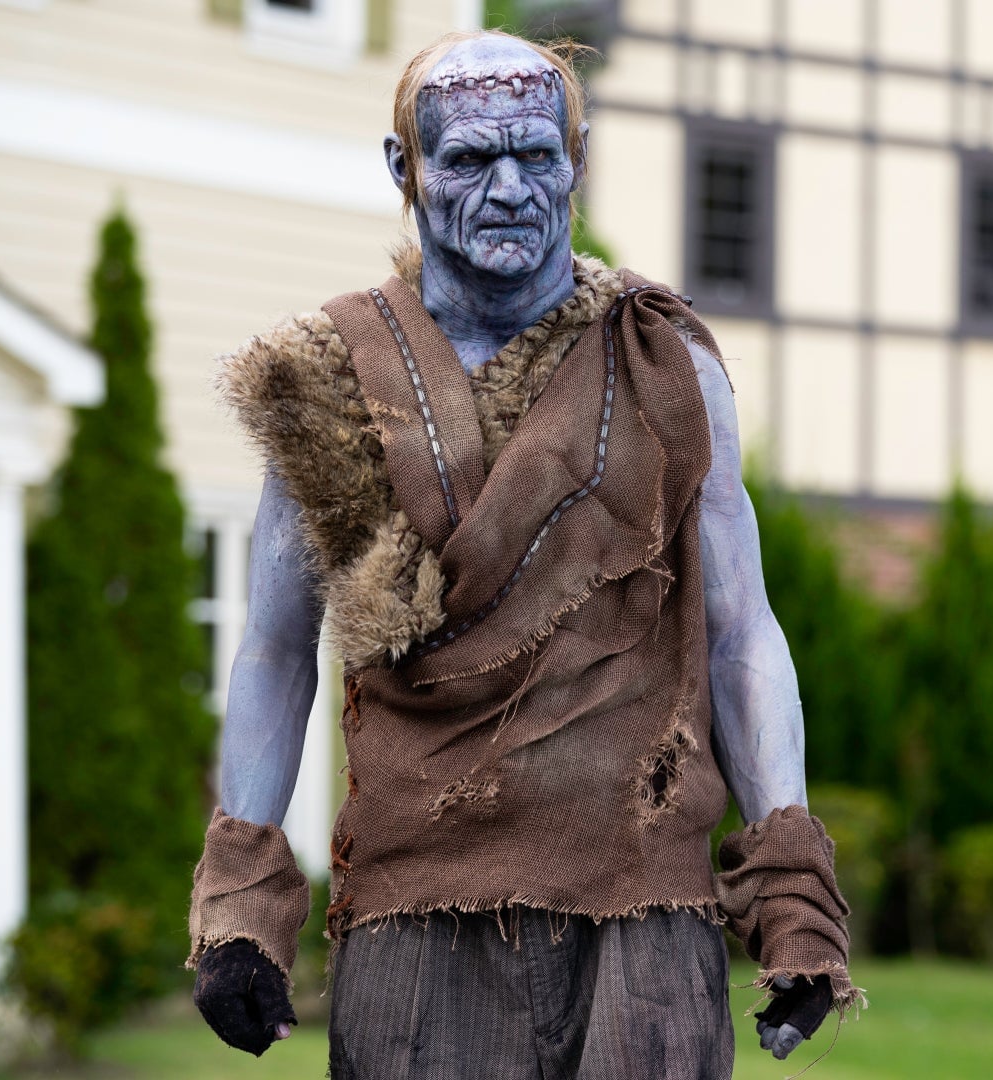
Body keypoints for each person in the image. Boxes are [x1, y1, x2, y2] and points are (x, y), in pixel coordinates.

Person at [184, 28, 858, 1079]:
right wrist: (238, 905)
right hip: (419, 923)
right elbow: (273, 653)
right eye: (469, 159)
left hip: (646, 917)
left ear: (576, 166)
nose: (509, 188)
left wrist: (792, 888)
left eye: (537, 156)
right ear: (405, 170)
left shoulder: (664, 364)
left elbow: (740, 632)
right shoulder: (329, 380)